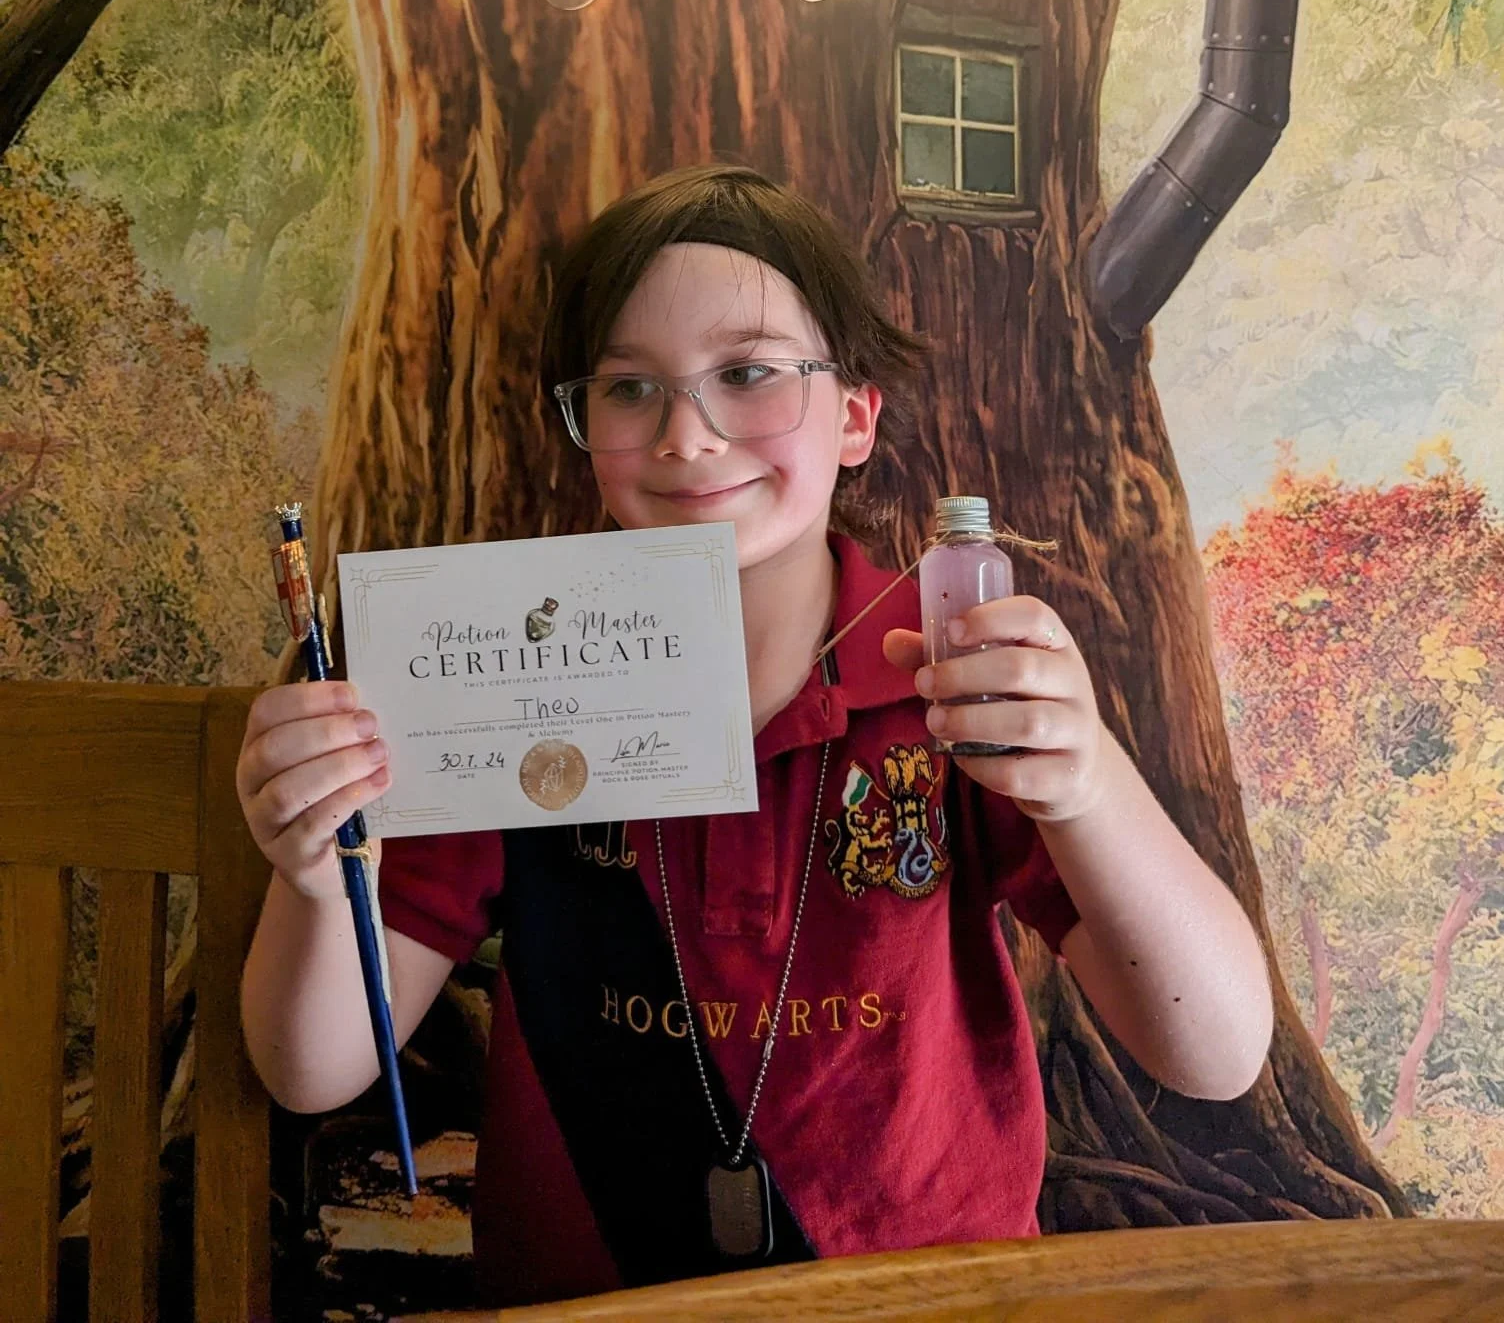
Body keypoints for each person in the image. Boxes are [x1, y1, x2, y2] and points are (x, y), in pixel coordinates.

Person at [237, 163, 1273, 1305]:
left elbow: (1215, 1054)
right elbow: (311, 1068)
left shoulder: (953, 681)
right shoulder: (508, 689)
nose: (687, 435)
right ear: (587, 432)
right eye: (629, 390)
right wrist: (313, 866)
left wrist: (1087, 782)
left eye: (747, 375)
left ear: (856, 417)